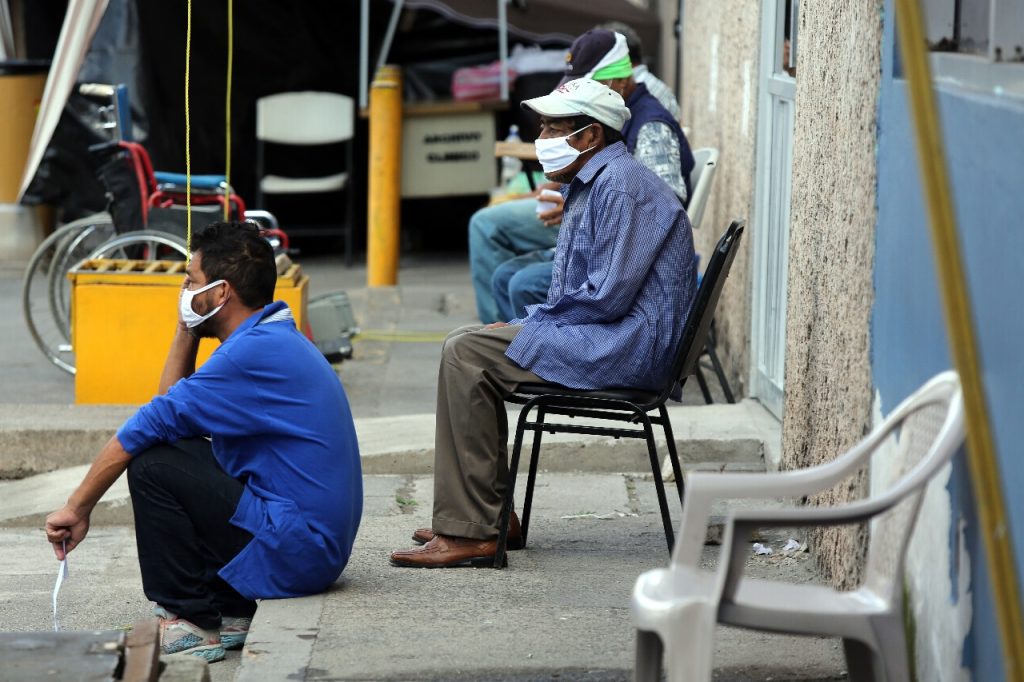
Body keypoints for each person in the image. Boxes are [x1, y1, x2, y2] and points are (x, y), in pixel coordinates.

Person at [389, 78, 696, 569]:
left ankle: (474, 529)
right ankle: (487, 516)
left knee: (466, 353)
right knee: (468, 342)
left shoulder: (621, 187)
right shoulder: (595, 181)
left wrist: (531, 324)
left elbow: (605, 297)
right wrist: (527, 324)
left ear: (590, 136)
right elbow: (585, 292)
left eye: (554, 127)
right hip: (613, 335)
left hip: (626, 346)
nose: (542, 137)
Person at [44, 222, 363, 662]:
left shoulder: (248, 355)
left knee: (153, 465)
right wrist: (186, 327)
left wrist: (77, 507)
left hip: (300, 553)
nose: (184, 292)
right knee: (180, 452)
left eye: (191, 282)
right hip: (308, 546)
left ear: (221, 292)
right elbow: (170, 414)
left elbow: (146, 427)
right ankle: (232, 610)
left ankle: (189, 620)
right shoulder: (270, 338)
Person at [491, 28, 696, 320]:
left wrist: (533, 329)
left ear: (620, 80)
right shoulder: (612, 138)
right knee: (505, 279)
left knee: (518, 281)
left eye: (592, 85)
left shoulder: (650, 126)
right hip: (604, 240)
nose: (587, 93)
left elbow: (654, 208)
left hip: (626, 260)